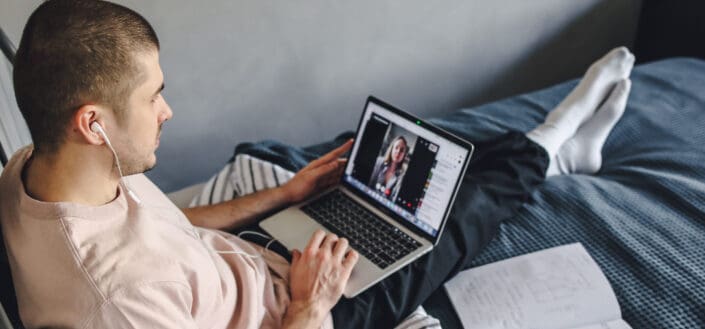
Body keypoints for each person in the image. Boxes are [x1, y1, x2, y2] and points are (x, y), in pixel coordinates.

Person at [0, 1, 634, 328]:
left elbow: (169, 227)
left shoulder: (40, 167)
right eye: (152, 96)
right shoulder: (119, 306)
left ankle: (542, 152)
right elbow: (136, 277)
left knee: (363, 163)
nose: (167, 111)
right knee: (451, 220)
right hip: (300, 312)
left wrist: (284, 196)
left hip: (255, 263)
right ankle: (556, 146)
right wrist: (311, 304)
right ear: (93, 122)